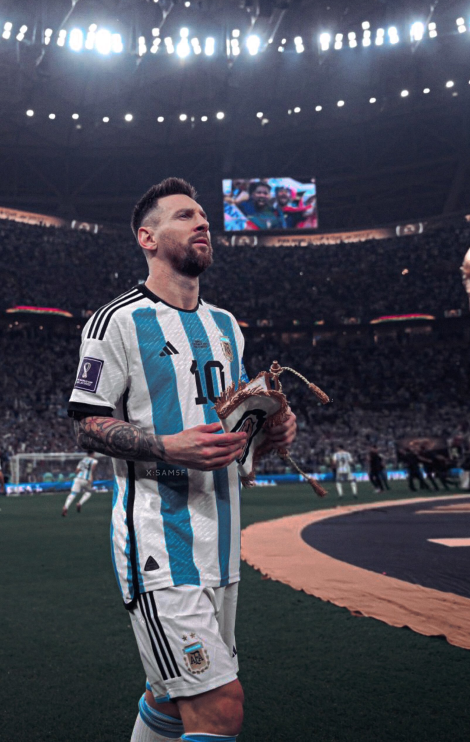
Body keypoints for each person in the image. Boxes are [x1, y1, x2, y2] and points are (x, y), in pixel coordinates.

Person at [67, 177, 295, 742]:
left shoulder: (226, 326)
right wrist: (168, 446)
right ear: (147, 238)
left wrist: (270, 432)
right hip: (160, 544)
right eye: (185, 215)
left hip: (222, 544)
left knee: (170, 700)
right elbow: (85, 423)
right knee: (221, 707)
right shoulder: (117, 321)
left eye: (205, 217)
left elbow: (235, 437)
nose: (203, 223)